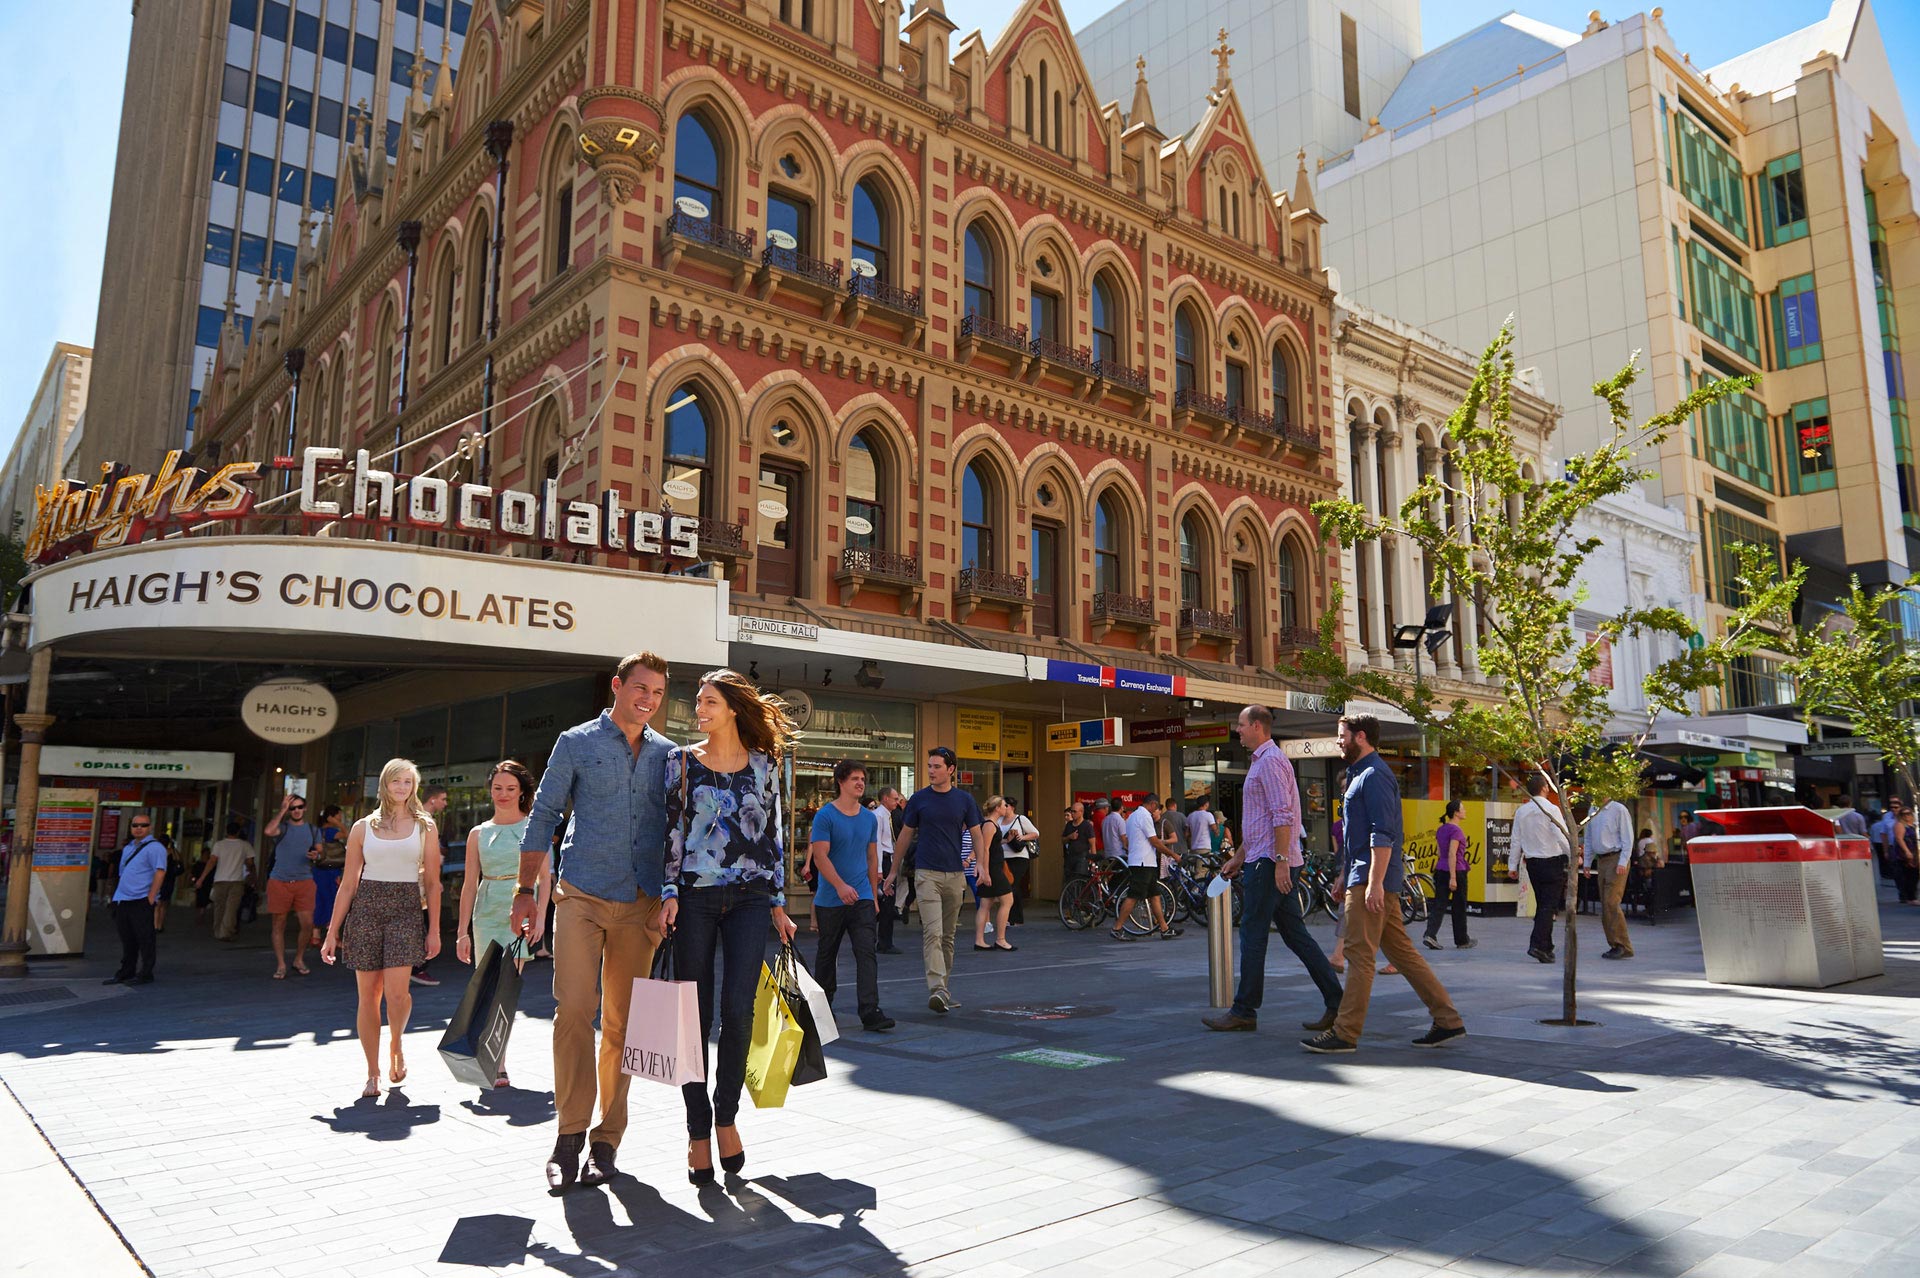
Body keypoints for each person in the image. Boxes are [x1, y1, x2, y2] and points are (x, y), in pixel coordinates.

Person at [511, 652, 675, 1192]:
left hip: (642, 903)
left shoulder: (668, 755)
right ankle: (568, 1136)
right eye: (641, 688)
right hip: (580, 894)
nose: (649, 700)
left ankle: (607, 1140)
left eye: (658, 692)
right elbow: (544, 814)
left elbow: (679, 827)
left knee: (624, 1026)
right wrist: (524, 891)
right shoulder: (576, 742)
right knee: (574, 1011)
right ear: (617, 686)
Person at [661, 668, 801, 1184]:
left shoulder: (765, 764)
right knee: (692, 1019)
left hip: (751, 898)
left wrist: (779, 902)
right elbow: (670, 831)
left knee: (739, 1012)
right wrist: (668, 892)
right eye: (698, 701)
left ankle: (726, 1117)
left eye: (709, 702)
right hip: (694, 897)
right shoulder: (679, 762)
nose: (699, 709)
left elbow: (773, 835)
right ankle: (697, 1130)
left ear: (734, 709)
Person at [1304, 714, 1464, 1053]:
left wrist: (1373, 883)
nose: (1338, 741)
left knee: (1358, 955)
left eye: (1342, 735)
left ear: (1360, 737)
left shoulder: (1375, 775)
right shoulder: (1360, 773)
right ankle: (1448, 1021)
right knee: (1402, 954)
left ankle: (1345, 1033)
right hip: (1363, 876)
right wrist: (1344, 875)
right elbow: (1357, 837)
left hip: (1370, 880)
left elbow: (1382, 834)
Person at [1204, 705, 1342, 1033]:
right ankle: (1337, 1002)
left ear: (1256, 726)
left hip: (1269, 863)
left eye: (1240, 724)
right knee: (1295, 935)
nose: (1237, 730)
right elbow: (1261, 822)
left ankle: (1244, 1010)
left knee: (1252, 932)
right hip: (1266, 858)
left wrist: (1280, 862)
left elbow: (1283, 815)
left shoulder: (1270, 761)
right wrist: (1239, 857)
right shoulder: (1262, 761)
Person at [321, 759, 442, 1098]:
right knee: (368, 997)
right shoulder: (362, 827)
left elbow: (433, 883)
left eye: (408, 782)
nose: (402, 787)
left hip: (406, 910)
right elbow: (348, 884)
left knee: (397, 994)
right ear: (384, 785)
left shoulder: (425, 826)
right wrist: (332, 932)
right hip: (366, 910)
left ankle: (396, 1044)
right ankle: (372, 1072)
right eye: (396, 781)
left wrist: (434, 930)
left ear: (414, 787)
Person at [456, 760, 548, 1088]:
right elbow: (469, 884)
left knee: (504, 990)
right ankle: (486, 1053)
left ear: (522, 792)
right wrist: (462, 932)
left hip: (519, 913)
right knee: (485, 989)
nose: (503, 794)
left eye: (510, 788)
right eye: (498, 788)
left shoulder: (534, 828)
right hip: (486, 912)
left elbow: (545, 878)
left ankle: (498, 1060)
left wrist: (540, 916)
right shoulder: (477, 833)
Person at [885, 747, 989, 1015]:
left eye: (937, 766)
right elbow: (905, 836)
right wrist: (894, 871)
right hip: (926, 874)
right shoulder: (919, 799)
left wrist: (981, 864)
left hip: (955, 875)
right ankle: (937, 989)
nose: (931, 771)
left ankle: (944, 989)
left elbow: (977, 834)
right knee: (933, 932)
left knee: (948, 936)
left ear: (951, 769)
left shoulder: (964, 800)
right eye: (929, 766)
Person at [811, 761, 894, 1031]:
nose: (860, 783)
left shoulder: (869, 819)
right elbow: (820, 857)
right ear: (841, 782)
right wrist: (840, 886)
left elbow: (872, 857)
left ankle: (870, 1011)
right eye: (855, 779)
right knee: (827, 954)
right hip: (831, 898)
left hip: (862, 898)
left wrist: (873, 896)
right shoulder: (825, 816)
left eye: (862, 779)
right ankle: (823, 1010)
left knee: (866, 952)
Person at [1512, 772, 1572, 964]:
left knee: (1543, 905)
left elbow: (1516, 840)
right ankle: (1537, 944)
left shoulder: (1522, 811)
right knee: (1548, 906)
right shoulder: (1551, 809)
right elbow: (1561, 835)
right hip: (1551, 861)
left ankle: (1546, 946)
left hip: (1532, 863)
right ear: (1545, 788)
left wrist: (1512, 864)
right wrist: (1572, 855)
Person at [103, 813, 167, 986]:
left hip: (141, 899)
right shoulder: (128, 848)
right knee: (127, 938)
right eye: (135, 825)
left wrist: (151, 897)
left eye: (143, 825)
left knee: (145, 938)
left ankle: (146, 973)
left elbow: (160, 872)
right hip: (123, 899)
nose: (139, 828)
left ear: (150, 827)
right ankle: (126, 971)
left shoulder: (155, 848)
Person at [263, 792, 321, 979]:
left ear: (305, 808)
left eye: (299, 807)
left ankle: (298, 959)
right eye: (292, 808)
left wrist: (316, 856)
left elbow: (321, 853)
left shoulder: (313, 830)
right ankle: (281, 964)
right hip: (279, 881)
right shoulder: (282, 828)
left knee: (307, 923)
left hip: (304, 881)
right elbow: (268, 831)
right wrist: (282, 810)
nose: (296, 810)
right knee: (278, 923)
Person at [1111, 793, 1179, 941]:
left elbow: (1128, 841)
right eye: (1156, 807)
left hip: (1143, 861)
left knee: (1154, 895)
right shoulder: (1145, 816)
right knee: (1133, 896)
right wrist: (1173, 855)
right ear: (1153, 804)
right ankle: (1117, 928)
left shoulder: (1132, 817)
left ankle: (1164, 928)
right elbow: (1154, 841)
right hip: (1143, 863)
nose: (1156, 811)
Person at [1582, 793, 1636, 959]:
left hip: (1616, 857)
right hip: (1602, 860)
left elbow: (1628, 838)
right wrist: (1587, 862)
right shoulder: (1593, 810)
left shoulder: (1619, 810)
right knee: (1606, 903)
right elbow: (1589, 838)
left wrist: (1623, 861)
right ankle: (1614, 943)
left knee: (1611, 902)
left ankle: (1622, 945)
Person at [410, 785, 450, 987]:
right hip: (420, 884)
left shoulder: (424, 820)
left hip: (423, 881)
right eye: (443, 799)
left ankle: (416, 966)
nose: (445, 803)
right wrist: (433, 881)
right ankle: (417, 966)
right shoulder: (423, 821)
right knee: (421, 924)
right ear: (432, 799)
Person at [1422, 801, 1473, 950]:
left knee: (1439, 904)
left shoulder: (1441, 829)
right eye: (1462, 809)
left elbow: (1440, 852)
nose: (1465, 811)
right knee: (1459, 906)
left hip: (1441, 868)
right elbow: (1452, 853)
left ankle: (1430, 934)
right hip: (1456, 870)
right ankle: (1462, 940)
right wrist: (1453, 877)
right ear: (1456, 812)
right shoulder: (1457, 831)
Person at [195, 820, 256, 942]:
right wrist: (251, 873)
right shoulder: (245, 845)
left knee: (219, 908)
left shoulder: (219, 845)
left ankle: (218, 931)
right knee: (231, 909)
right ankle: (226, 932)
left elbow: (212, 862)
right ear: (238, 832)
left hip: (220, 880)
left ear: (226, 831)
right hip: (237, 881)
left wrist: (201, 878)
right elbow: (250, 863)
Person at [972, 796, 1018, 952]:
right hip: (992, 869)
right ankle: (1000, 939)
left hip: (993, 867)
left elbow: (992, 845)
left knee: (985, 904)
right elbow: (985, 849)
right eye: (1004, 805)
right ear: (997, 808)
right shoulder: (989, 825)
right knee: (1007, 900)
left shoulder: (992, 824)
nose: (1006, 807)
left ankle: (980, 940)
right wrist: (985, 872)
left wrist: (1006, 840)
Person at [871, 785, 905, 954]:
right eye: (894, 799)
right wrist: (878, 869)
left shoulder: (888, 816)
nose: (897, 802)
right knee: (886, 901)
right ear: (885, 798)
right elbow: (876, 843)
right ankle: (883, 942)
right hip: (883, 861)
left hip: (888, 859)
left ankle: (885, 940)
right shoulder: (878, 816)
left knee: (889, 901)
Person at [310, 805, 348, 946]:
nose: (340, 817)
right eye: (338, 815)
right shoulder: (331, 831)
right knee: (333, 902)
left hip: (318, 870)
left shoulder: (318, 831)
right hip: (331, 872)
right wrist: (337, 823)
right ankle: (334, 936)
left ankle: (315, 935)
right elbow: (346, 834)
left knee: (319, 901)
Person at [998, 803, 1039, 927]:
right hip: (1003, 857)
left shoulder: (1021, 819)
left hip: (1019, 857)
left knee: (1012, 884)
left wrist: (1021, 837)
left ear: (1012, 807)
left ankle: (1015, 918)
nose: (1004, 808)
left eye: (1006, 805)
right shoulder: (998, 820)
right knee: (1007, 886)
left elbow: (1035, 833)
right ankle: (1010, 917)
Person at [1633, 825, 1663, 925]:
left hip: (1651, 878)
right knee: (1652, 886)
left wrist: (1658, 860)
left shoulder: (1652, 858)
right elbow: (1646, 872)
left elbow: (1660, 866)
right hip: (1645, 880)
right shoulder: (1644, 859)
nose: (1654, 853)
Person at [153, 834, 183, 933]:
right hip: (169, 880)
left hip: (158, 879)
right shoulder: (173, 852)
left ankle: (155, 925)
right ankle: (160, 925)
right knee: (164, 904)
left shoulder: (156, 852)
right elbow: (180, 862)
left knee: (157, 904)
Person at [1892, 797, 1919, 905]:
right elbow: (1899, 839)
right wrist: (1906, 851)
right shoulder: (1900, 825)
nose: (1907, 816)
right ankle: (1910, 897)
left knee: (1914, 875)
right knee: (1908, 875)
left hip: (1915, 852)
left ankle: (1910, 896)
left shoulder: (1913, 825)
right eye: (1904, 814)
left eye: (1909, 813)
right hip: (1905, 853)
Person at [1062, 801, 1095, 883]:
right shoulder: (1069, 825)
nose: (1072, 813)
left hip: (1082, 858)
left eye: (1074, 811)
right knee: (1068, 881)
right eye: (1071, 811)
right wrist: (1070, 837)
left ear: (1081, 812)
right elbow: (1063, 840)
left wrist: (1093, 862)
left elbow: (1092, 845)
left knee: (1079, 881)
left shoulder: (1087, 826)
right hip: (1070, 857)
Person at [1185, 796, 1217, 863]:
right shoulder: (1208, 815)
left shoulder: (1190, 816)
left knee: (1193, 867)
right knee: (1202, 868)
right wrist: (1217, 825)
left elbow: (1186, 834)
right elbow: (1215, 830)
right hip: (1204, 847)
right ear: (1206, 804)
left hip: (1193, 847)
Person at [1097, 797, 1125, 865]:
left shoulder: (1105, 819)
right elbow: (1123, 838)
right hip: (1119, 854)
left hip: (1108, 854)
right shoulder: (1119, 820)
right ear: (1121, 807)